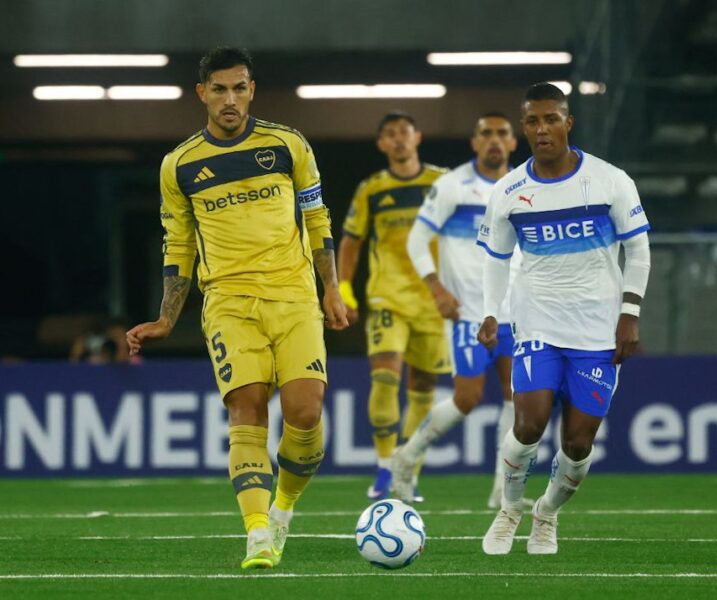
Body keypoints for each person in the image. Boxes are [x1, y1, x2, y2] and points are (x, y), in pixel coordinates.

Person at [125, 47, 348, 570]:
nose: (231, 99)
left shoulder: (288, 144)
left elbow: (317, 217)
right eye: (220, 89)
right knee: (246, 408)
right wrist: (165, 318)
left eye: (240, 88)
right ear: (202, 93)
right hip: (227, 301)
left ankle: (283, 510)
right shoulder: (178, 165)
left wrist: (332, 288)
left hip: (294, 296)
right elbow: (177, 244)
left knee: (305, 411)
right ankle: (256, 535)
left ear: (252, 90)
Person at [477, 83, 651, 555]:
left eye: (551, 119)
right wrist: (492, 312)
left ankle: (546, 513)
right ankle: (510, 508)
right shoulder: (509, 190)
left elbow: (637, 250)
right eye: (532, 121)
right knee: (529, 424)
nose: (541, 129)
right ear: (524, 127)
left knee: (577, 443)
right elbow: (496, 257)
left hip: (597, 330)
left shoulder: (610, 180)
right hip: (537, 325)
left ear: (568, 122)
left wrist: (629, 314)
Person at [391, 113, 520, 508]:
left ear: (513, 143)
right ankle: (405, 458)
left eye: (502, 134)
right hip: (468, 314)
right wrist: (436, 288)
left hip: (517, 312)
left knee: (519, 398)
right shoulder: (452, 186)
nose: (494, 141)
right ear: (474, 142)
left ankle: (503, 489)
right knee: (467, 399)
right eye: (486, 134)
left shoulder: (523, 186)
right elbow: (417, 240)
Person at [337, 112, 449, 500]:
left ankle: (408, 470)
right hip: (388, 295)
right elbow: (351, 240)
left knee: (423, 387)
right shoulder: (371, 189)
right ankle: (385, 468)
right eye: (390, 135)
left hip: (433, 300)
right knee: (384, 376)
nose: (399, 140)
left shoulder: (442, 182)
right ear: (382, 144)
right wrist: (344, 289)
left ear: (417, 137)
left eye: (405, 133)